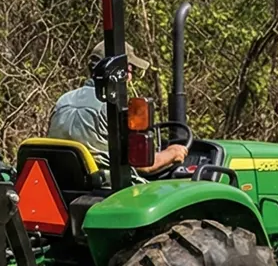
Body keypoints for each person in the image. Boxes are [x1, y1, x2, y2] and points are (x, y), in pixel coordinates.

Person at [47, 42, 187, 177]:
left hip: (63, 184)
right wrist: (172, 152)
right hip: (109, 187)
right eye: (130, 70)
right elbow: (143, 166)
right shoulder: (113, 107)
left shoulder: (63, 101)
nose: (130, 78)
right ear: (118, 71)